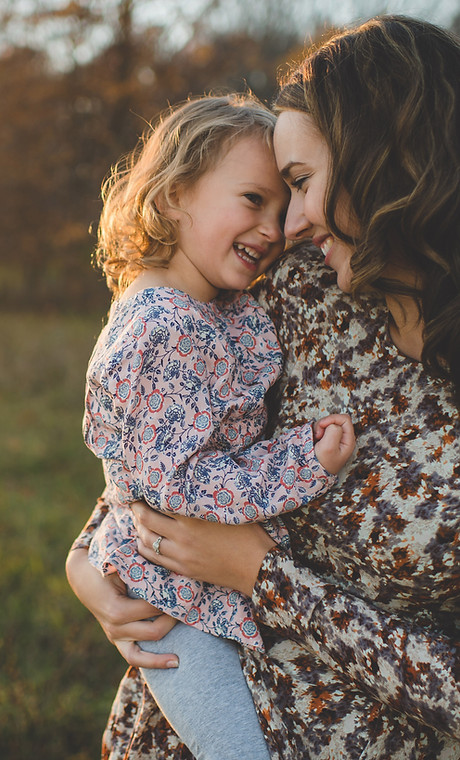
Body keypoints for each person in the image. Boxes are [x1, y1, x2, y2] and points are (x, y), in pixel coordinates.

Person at [66, 15, 460, 760]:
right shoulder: (302, 291)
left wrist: (266, 578)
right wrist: (89, 557)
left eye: (302, 185)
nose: (290, 224)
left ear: (393, 165)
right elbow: (170, 441)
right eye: (276, 193)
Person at [78, 92, 355, 760]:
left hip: (193, 584)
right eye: (253, 200)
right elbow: (179, 486)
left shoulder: (211, 306)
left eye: (282, 204)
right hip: (171, 604)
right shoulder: (161, 329)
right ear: (174, 195)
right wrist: (302, 463)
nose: (274, 226)